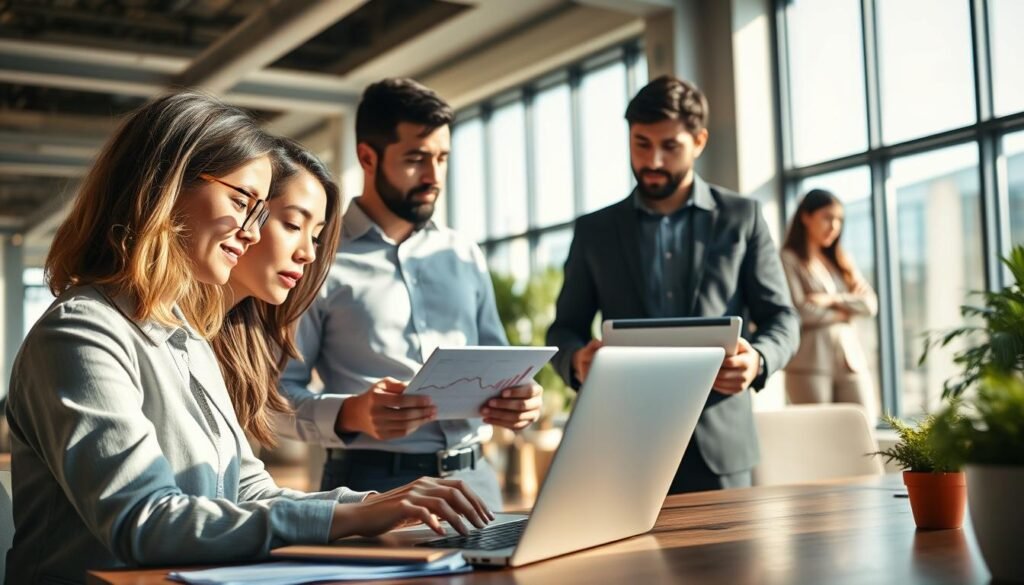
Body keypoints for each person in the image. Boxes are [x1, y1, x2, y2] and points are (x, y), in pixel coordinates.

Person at [4, 92, 491, 584]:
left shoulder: (187, 339)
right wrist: (351, 517)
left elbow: (247, 490)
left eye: (261, 212)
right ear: (163, 185)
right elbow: (146, 523)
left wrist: (373, 503)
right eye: (242, 203)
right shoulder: (80, 333)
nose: (252, 233)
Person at [279, 78, 542, 510]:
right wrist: (350, 414)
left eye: (441, 158)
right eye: (416, 159)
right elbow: (272, 398)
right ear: (368, 157)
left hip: (477, 481)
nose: (433, 176)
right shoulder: (315, 258)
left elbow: (500, 364)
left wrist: (521, 400)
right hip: (372, 485)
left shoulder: (464, 254)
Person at [546, 75, 800, 494]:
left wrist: (758, 360)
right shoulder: (595, 231)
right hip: (621, 445)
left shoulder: (743, 218)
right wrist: (577, 361)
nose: (654, 161)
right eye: (641, 143)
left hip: (719, 448)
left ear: (699, 141)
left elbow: (783, 319)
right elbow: (563, 329)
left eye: (670, 146)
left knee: (730, 562)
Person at [780, 189, 879, 420]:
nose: (834, 226)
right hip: (809, 363)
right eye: (827, 217)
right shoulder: (788, 259)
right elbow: (800, 311)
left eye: (839, 220)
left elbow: (870, 304)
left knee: (864, 426)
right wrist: (842, 314)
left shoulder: (842, 260)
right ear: (806, 217)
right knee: (818, 436)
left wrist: (832, 300)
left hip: (850, 360)